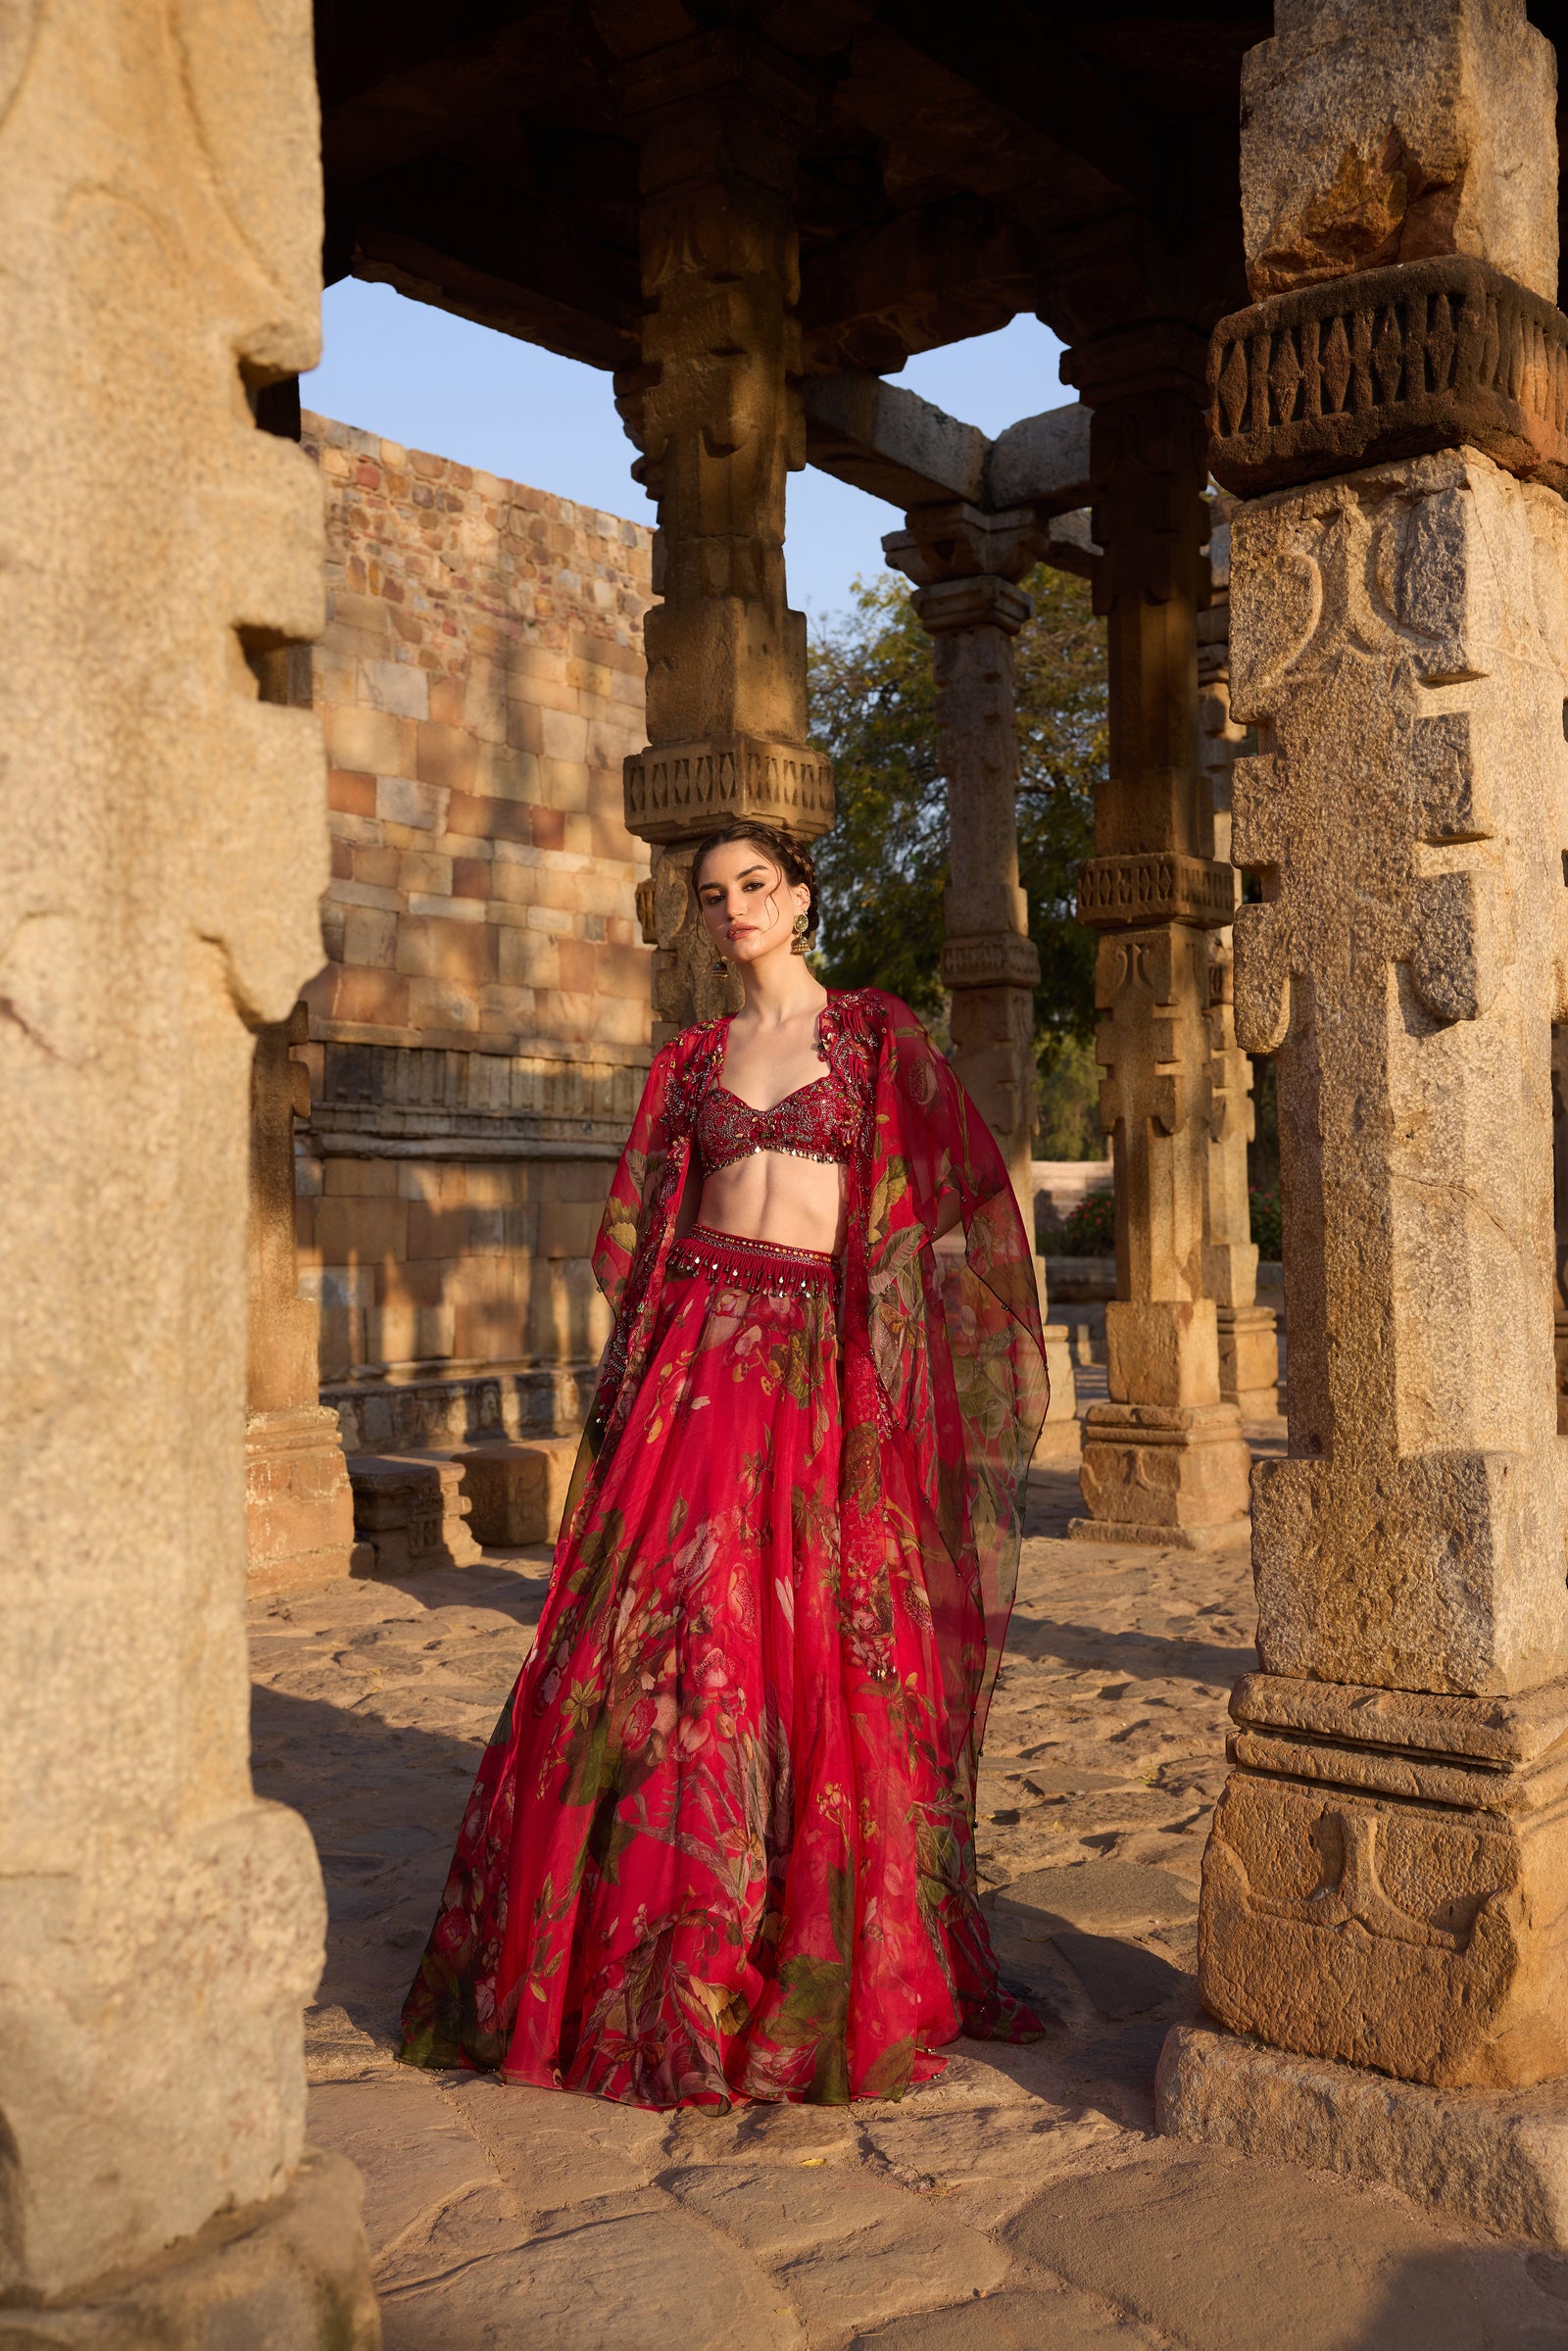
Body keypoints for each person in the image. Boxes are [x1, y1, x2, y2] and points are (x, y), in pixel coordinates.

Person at [397, 819, 1049, 2109]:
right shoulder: (690, 1058)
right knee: (657, 1635)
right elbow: (638, 1228)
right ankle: (648, 1950)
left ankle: (777, 1940)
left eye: (756, 885)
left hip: (809, 1363)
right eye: (712, 895)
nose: (734, 907)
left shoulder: (872, 1037)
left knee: (801, 1639)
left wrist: (881, 1354)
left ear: (801, 897)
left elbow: (949, 1195)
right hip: (695, 1360)